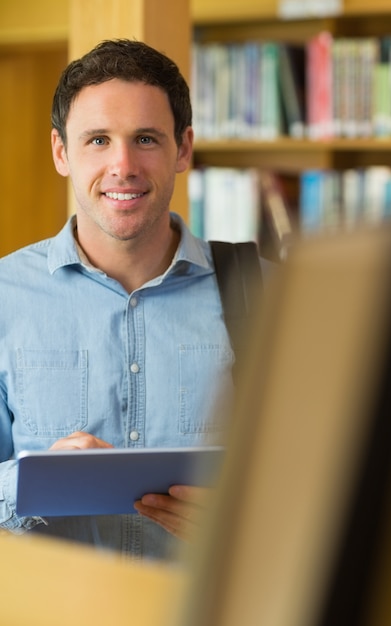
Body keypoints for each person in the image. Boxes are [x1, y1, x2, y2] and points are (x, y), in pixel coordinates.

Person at [0, 39, 235, 560]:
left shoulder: (265, 293)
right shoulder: (3, 298)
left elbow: (330, 486)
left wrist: (247, 520)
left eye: (146, 138)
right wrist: (28, 485)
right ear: (61, 152)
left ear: (183, 149)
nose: (123, 165)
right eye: (98, 140)